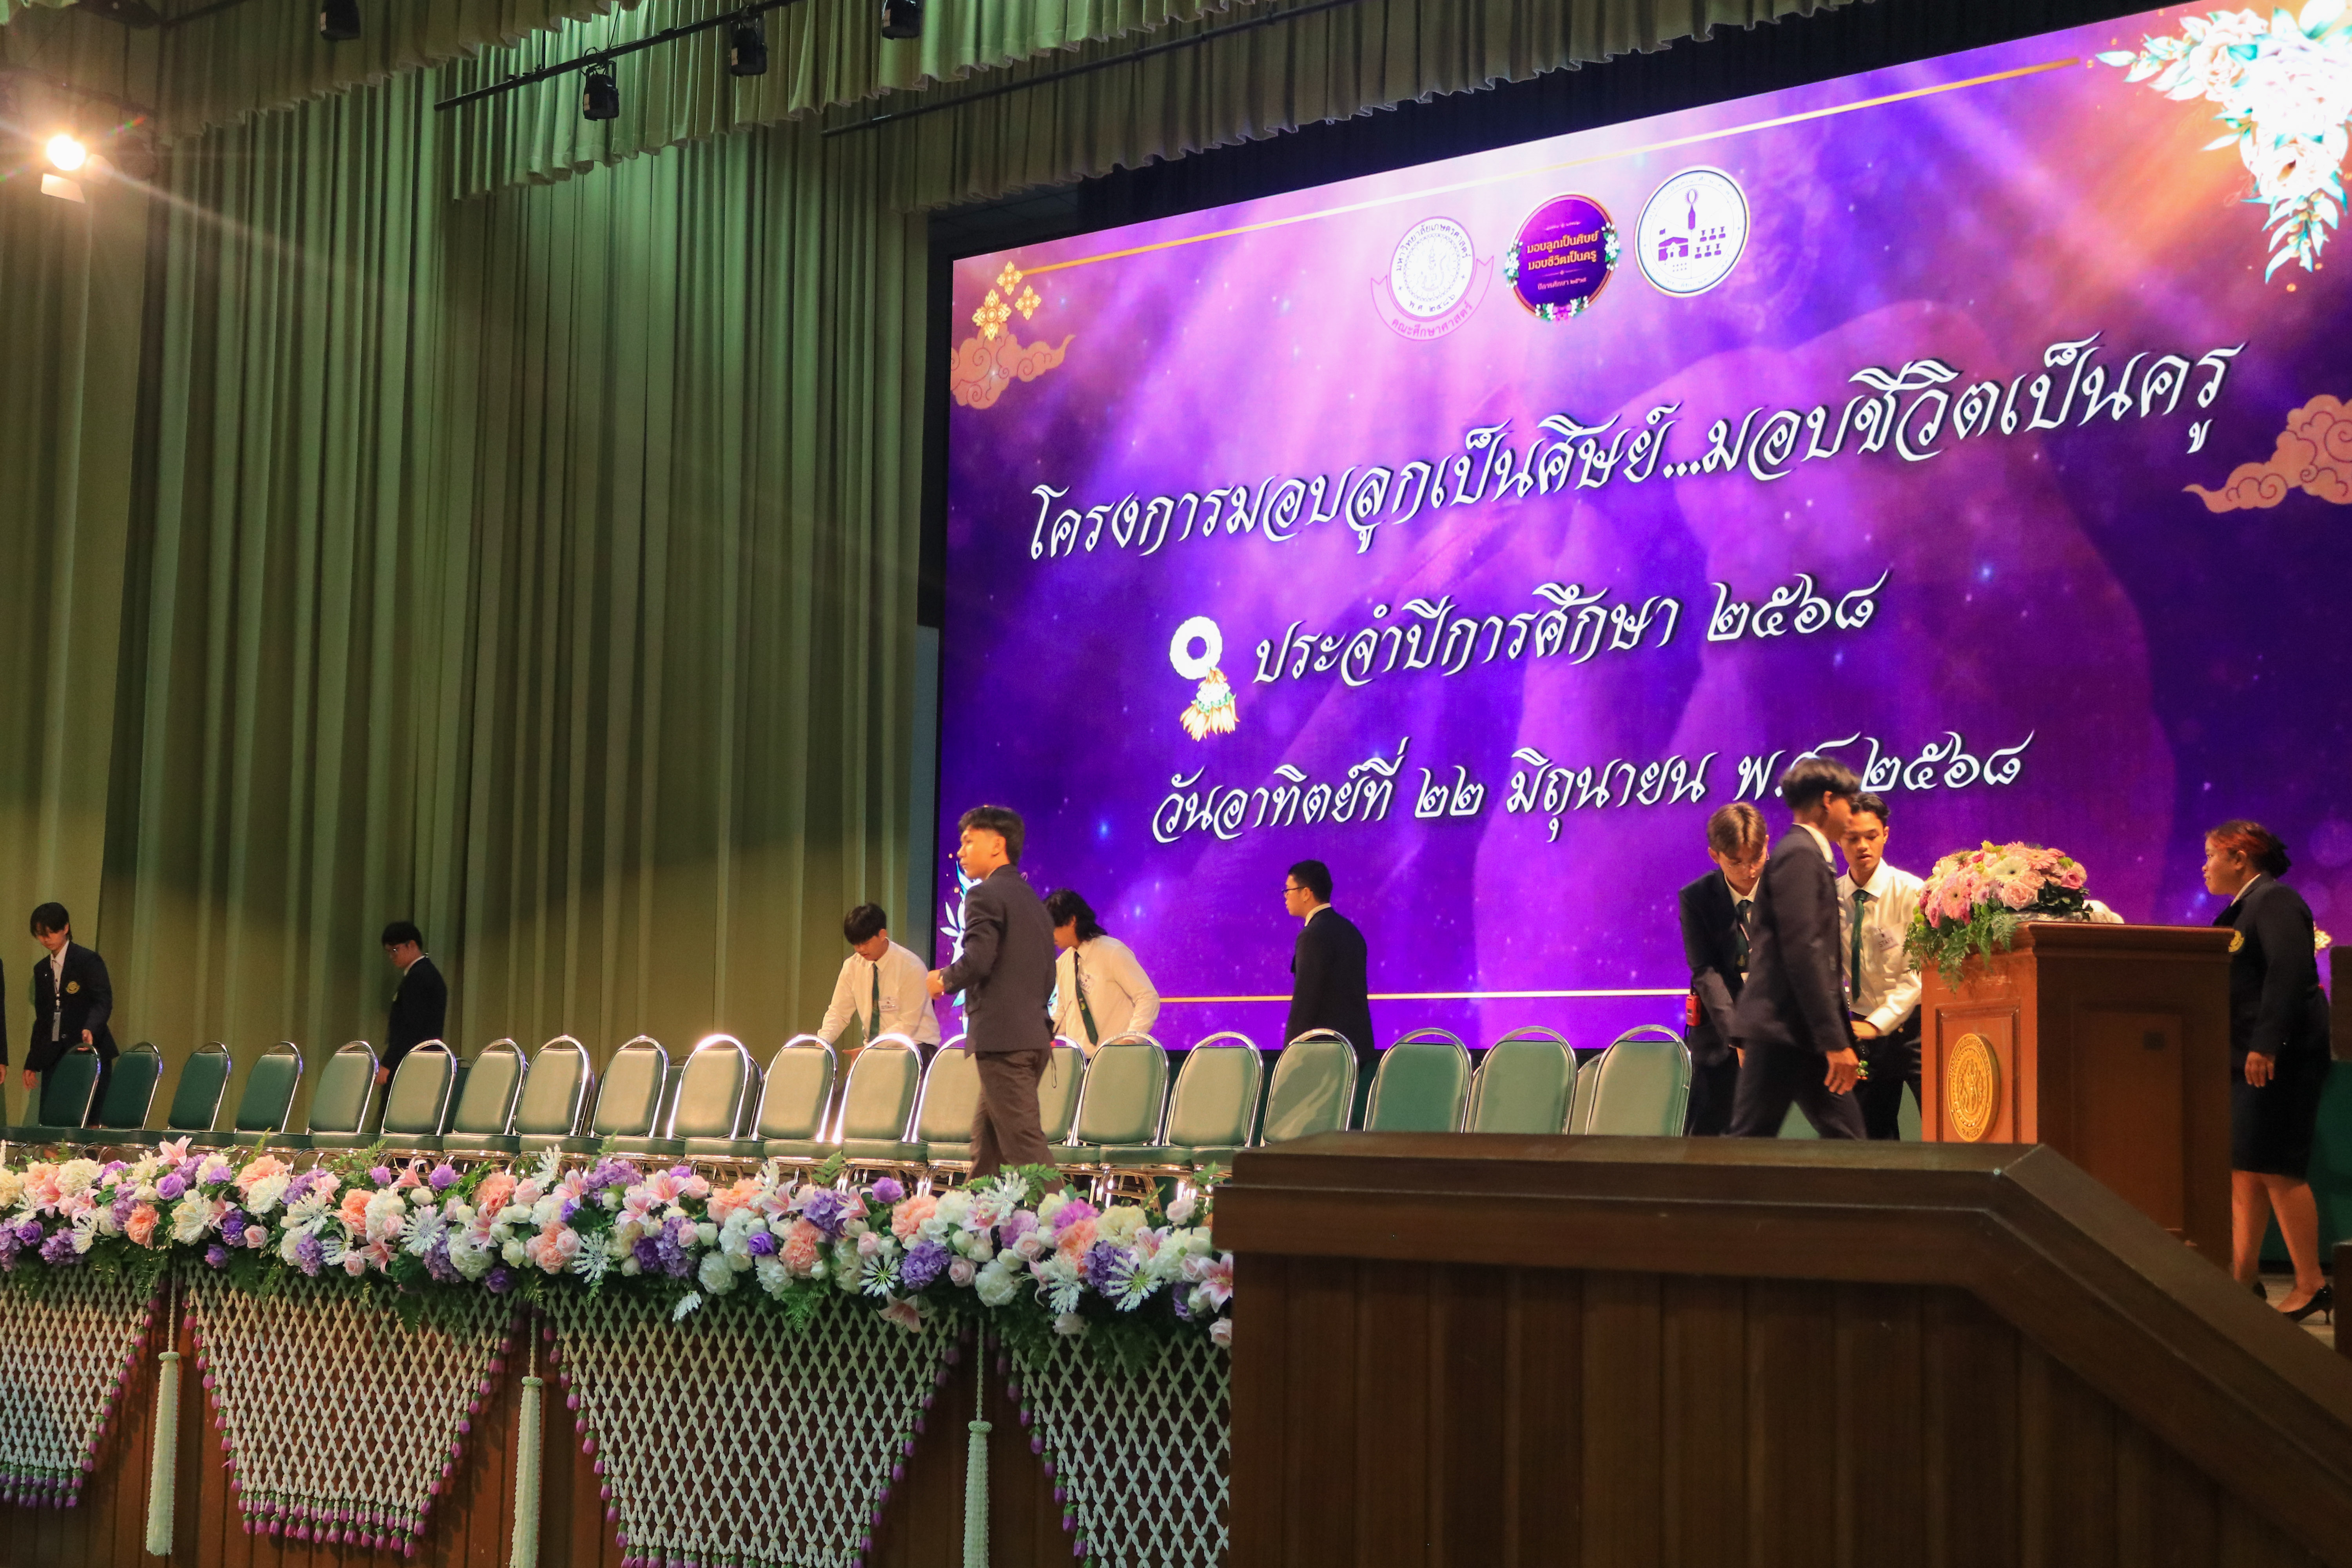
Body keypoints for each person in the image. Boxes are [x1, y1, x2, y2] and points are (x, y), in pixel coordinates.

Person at [2205, 820, 2333, 1321]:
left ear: (2240, 858)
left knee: (2278, 1168)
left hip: (2279, 1056)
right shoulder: (2242, 907)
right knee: (2245, 1167)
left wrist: (2266, 1044)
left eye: (2212, 855)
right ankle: (2243, 1277)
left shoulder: (2275, 900)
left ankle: (2312, 1283)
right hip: (2247, 1057)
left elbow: (2289, 973)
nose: (2205, 866)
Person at [1727, 759, 1866, 1139]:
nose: (1852, 816)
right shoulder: (1800, 854)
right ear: (1828, 801)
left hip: (1802, 1034)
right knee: (1748, 1142)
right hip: (1780, 1030)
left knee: (1849, 1139)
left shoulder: (1806, 853)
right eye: (1849, 803)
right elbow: (1804, 951)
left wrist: (1832, 1038)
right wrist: (1834, 1040)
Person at [927, 806, 1059, 1180]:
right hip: (1032, 1038)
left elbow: (978, 960)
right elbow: (1048, 976)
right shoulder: (1034, 902)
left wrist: (943, 980)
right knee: (988, 1149)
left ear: (997, 845)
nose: (961, 852)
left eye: (969, 842)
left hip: (1004, 1042)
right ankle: (974, 1214)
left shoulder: (984, 895)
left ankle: (1070, 1217)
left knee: (1024, 1148)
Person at [1678, 802, 1767, 1136]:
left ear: (1767, 844)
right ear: (1715, 856)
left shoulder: (1786, 890)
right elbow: (1705, 971)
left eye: (1756, 858)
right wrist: (1739, 1037)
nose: (1750, 870)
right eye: (1736, 862)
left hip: (1775, 1031)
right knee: (1707, 1136)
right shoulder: (1696, 898)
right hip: (1720, 1036)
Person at [1839, 793, 1925, 1140]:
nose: (1863, 846)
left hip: (1916, 1029)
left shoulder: (1912, 892)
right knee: (1870, 1139)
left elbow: (1917, 974)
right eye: (1852, 838)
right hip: (1862, 1030)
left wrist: (1878, 1024)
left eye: (1871, 836)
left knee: (1944, 1126)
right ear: (1839, 839)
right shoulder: (1830, 899)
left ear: (1886, 835)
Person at [1282, 859, 1376, 1118]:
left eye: (1289, 890)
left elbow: (1306, 999)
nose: (1286, 897)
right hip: (1354, 1049)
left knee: (1317, 1124)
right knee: (1340, 1121)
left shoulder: (1313, 935)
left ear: (1306, 893)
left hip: (1323, 1051)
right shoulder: (1350, 931)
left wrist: (1291, 1051)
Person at [18, 904, 115, 1124]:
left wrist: (90, 1028)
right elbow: (43, 1019)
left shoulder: (87, 960)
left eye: (50, 933)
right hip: (55, 1055)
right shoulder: (42, 969)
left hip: (87, 1052)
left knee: (90, 1121)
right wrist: (32, 1062)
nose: (45, 940)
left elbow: (103, 1001)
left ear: (66, 928)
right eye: (40, 935)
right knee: (54, 1122)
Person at [1045, 889, 1160, 1054]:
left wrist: (1131, 1040)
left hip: (1117, 1057)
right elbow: (1062, 1014)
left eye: (1053, 926)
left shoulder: (1113, 952)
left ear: (1072, 921)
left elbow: (1148, 997)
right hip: (1079, 1061)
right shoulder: (1063, 963)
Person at [815, 904, 941, 1053]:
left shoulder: (911, 967)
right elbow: (838, 1012)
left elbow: (909, 1023)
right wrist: (823, 1042)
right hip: (874, 1049)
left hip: (916, 1046)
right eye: (856, 945)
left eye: (865, 943)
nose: (860, 949)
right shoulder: (852, 966)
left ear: (882, 935)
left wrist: (870, 1049)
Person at [380, 921, 448, 1087]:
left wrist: (389, 1062)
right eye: (389, 952)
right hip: (422, 1060)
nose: (392, 957)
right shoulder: (425, 973)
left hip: (412, 1063)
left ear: (411, 945)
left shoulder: (419, 977)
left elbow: (411, 1027)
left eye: (395, 950)